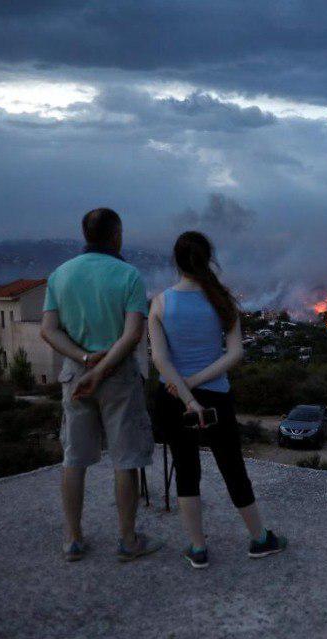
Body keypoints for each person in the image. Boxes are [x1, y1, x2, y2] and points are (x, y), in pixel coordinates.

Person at [149, 230, 287, 569]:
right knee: (232, 467)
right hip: (217, 398)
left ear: (176, 261)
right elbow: (235, 354)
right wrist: (198, 384)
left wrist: (185, 391)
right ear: (208, 259)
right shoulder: (222, 299)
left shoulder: (161, 302)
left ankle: (198, 548)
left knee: (185, 469)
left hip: (172, 398)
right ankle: (259, 539)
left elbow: (160, 361)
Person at [39, 207, 163, 563]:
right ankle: (127, 540)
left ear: (85, 234)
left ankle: (73, 539)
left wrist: (82, 360)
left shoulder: (60, 275)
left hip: (76, 377)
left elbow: (48, 331)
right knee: (126, 459)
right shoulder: (128, 275)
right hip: (119, 377)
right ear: (116, 234)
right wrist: (103, 366)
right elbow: (132, 334)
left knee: (73, 458)